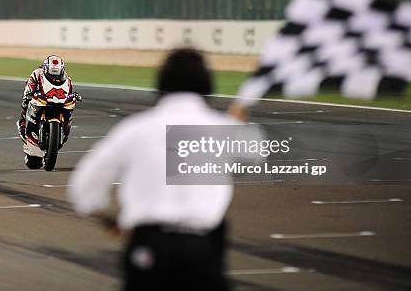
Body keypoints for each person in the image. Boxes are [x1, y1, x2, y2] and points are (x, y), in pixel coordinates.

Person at [69, 48, 249, 291]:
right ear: (207, 85)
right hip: (202, 248)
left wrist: (108, 220)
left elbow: (84, 186)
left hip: (149, 245)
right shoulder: (223, 129)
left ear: (161, 83)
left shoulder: (135, 128)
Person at [17, 55, 73, 144]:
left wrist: (72, 96)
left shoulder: (66, 77)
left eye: (57, 72)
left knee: (69, 109)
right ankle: (22, 125)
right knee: (25, 104)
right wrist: (28, 94)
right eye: (52, 72)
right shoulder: (37, 73)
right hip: (40, 94)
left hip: (57, 99)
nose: (54, 75)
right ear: (46, 68)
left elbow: (68, 89)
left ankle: (65, 129)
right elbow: (30, 85)